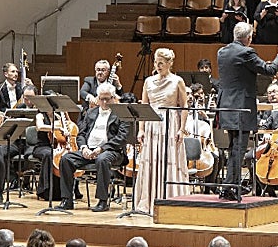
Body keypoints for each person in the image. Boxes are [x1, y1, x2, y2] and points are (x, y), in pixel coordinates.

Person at [217, 22, 278, 202]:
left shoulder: (222, 52)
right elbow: (269, 70)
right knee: (238, 149)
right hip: (241, 107)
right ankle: (229, 187)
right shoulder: (246, 52)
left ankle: (228, 185)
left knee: (233, 148)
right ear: (248, 38)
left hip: (225, 106)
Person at [134, 48, 189, 215]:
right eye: (156, 62)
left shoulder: (177, 81)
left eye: (161, 63)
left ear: (169, 63)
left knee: (168, 159)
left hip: (170, 123)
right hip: (151, 124)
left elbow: (184, 106)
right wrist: (141, 129)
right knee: (151, 160)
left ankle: (169, 199)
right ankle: (148, 200)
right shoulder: (148, 81)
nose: (158, 66)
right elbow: (144, 106)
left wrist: (182, 128)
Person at [59, 83, 126, 212]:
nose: (105, 102)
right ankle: (67, 199)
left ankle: (102, 201)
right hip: (89, 150)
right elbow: (81, 134)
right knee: (66, 159)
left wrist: (101, 148)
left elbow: (121, 138)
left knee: (102, 159)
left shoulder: (120, 113)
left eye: (108, 98)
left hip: (111, 151)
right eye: (102, 99)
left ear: (114, 98)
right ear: (98, 98)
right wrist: (84, 148)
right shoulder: (90, 112)